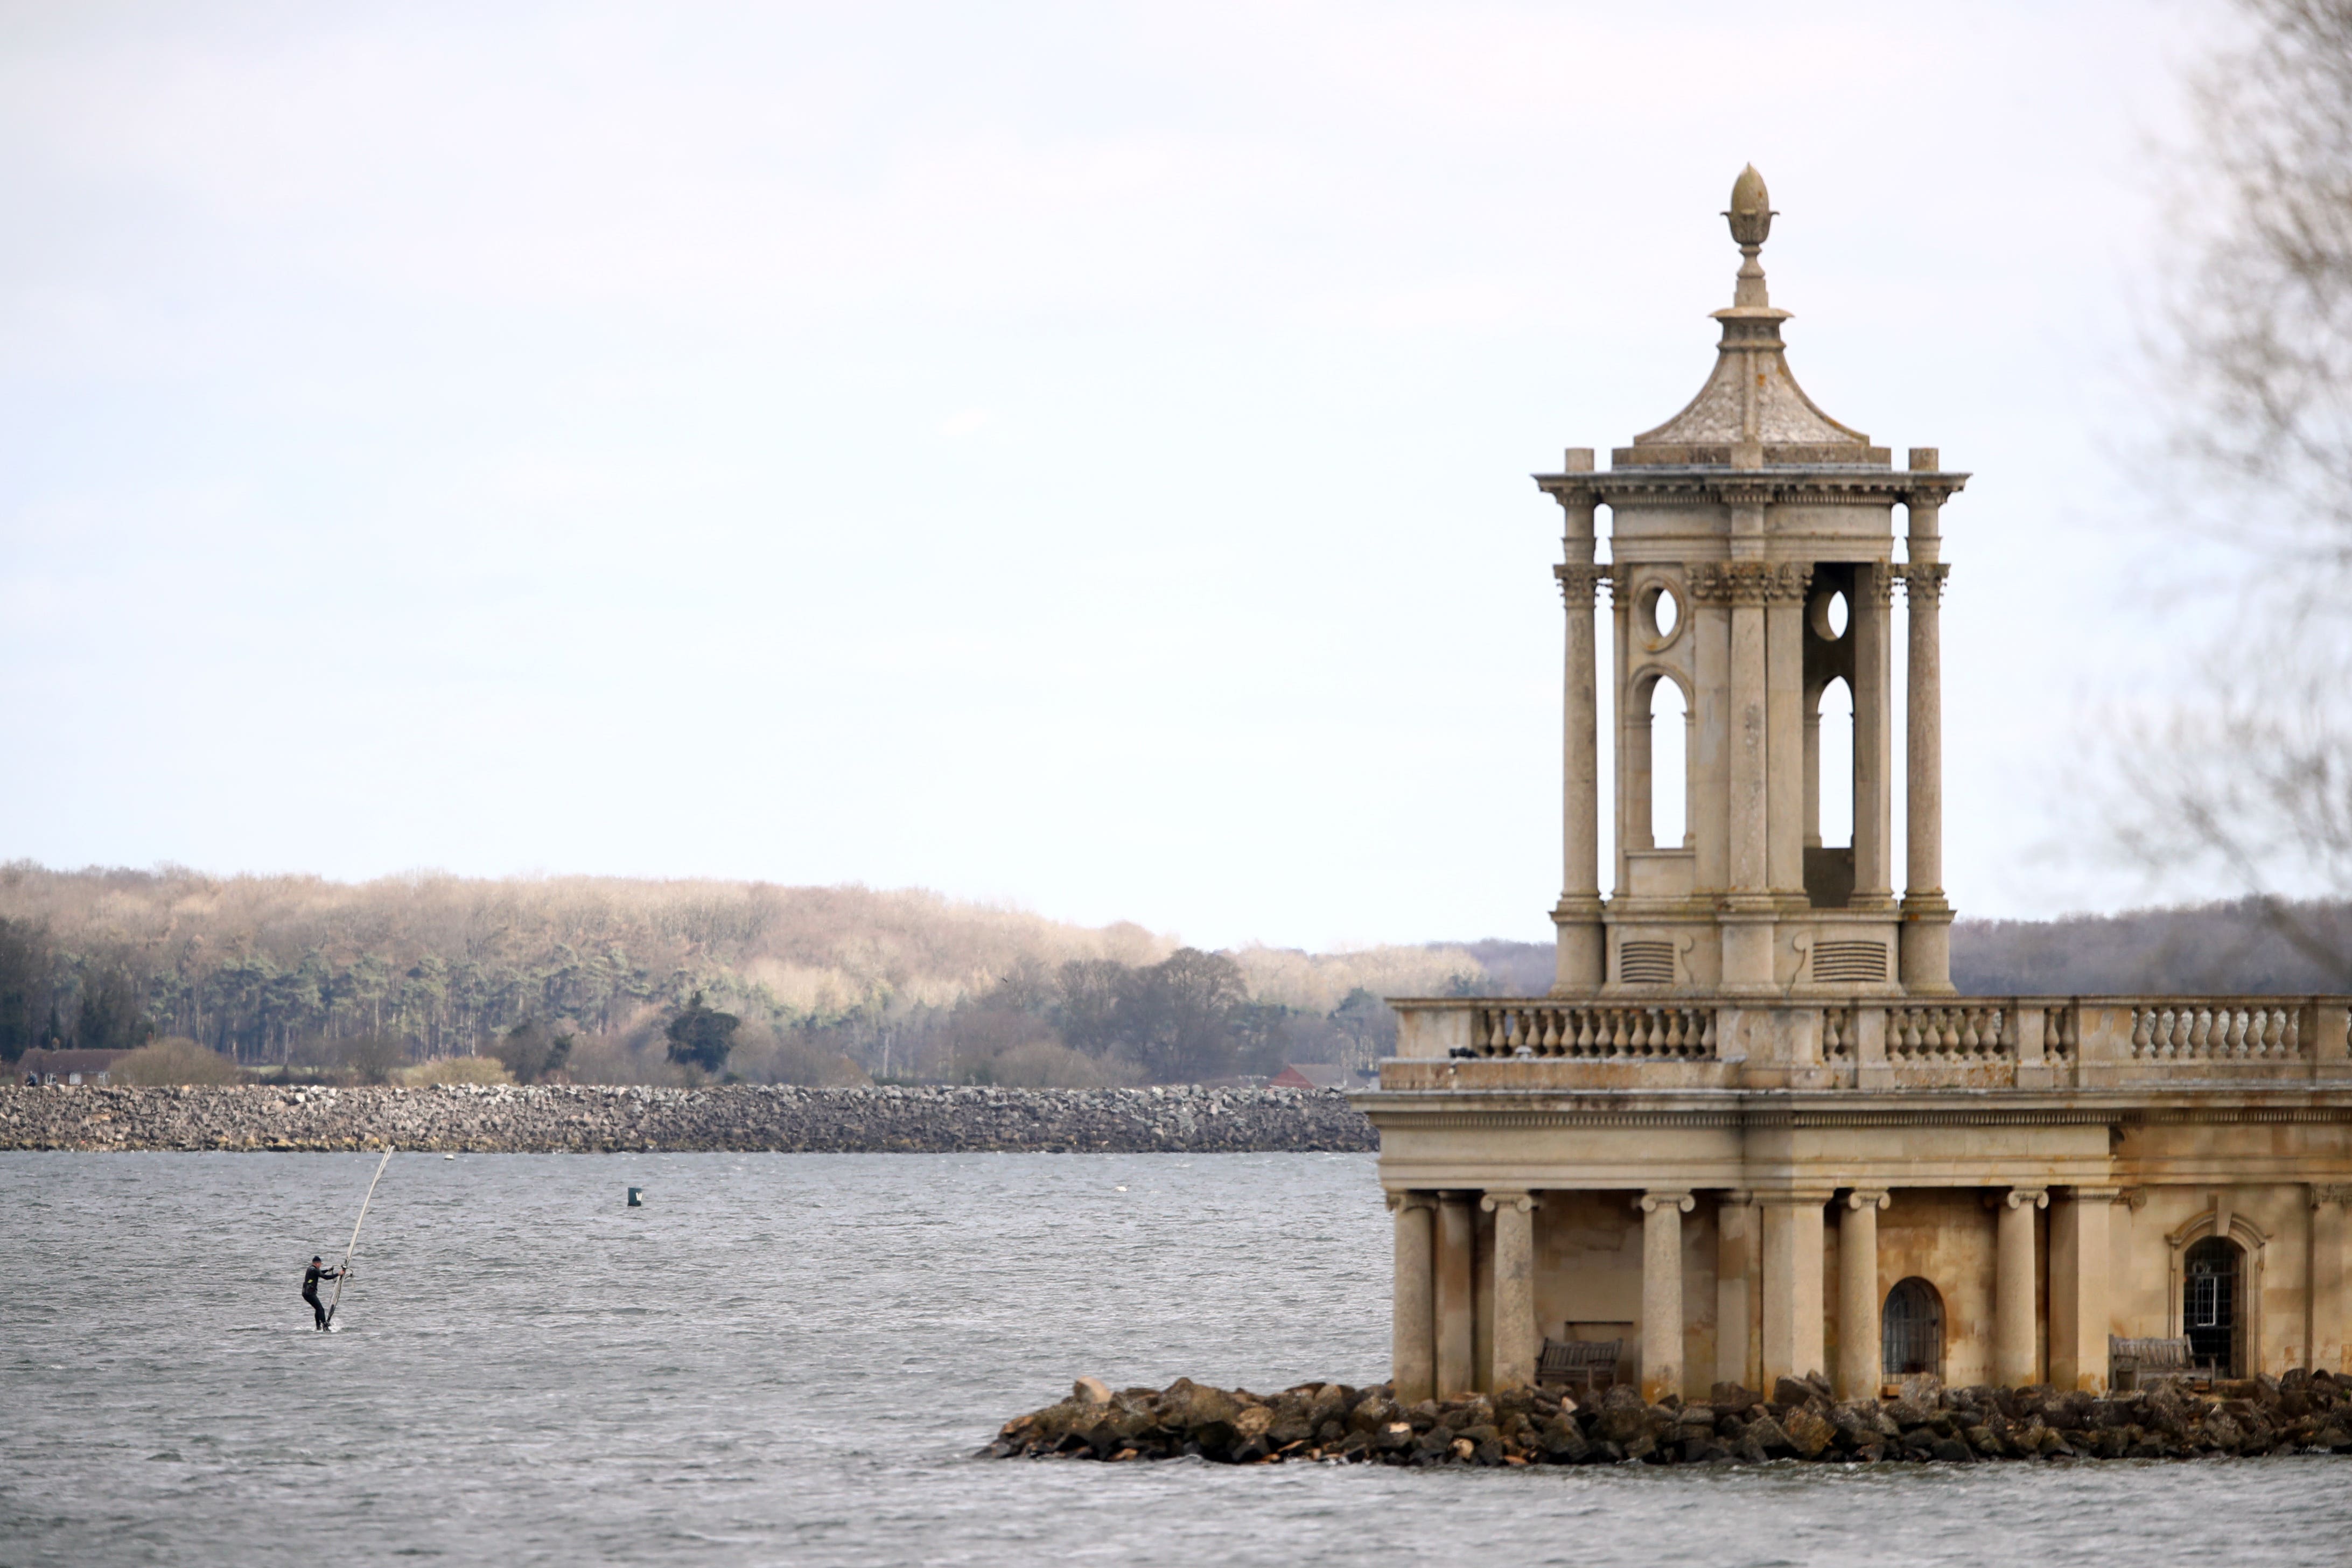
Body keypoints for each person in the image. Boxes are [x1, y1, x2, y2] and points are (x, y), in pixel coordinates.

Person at [302, 1255, 344, 1331]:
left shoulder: (310, 1269)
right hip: (310, 1294)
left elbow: (320, 1273)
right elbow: (326, 1277)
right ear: (317, 1263)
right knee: (321, 1309)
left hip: (306, 1293)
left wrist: (328, 1270)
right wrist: (338, 1274)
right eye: (320, 1264)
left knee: (318, 1309)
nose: (321, 1265)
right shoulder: (315, 1270)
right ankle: (325, 1326)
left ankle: (318, 1327)